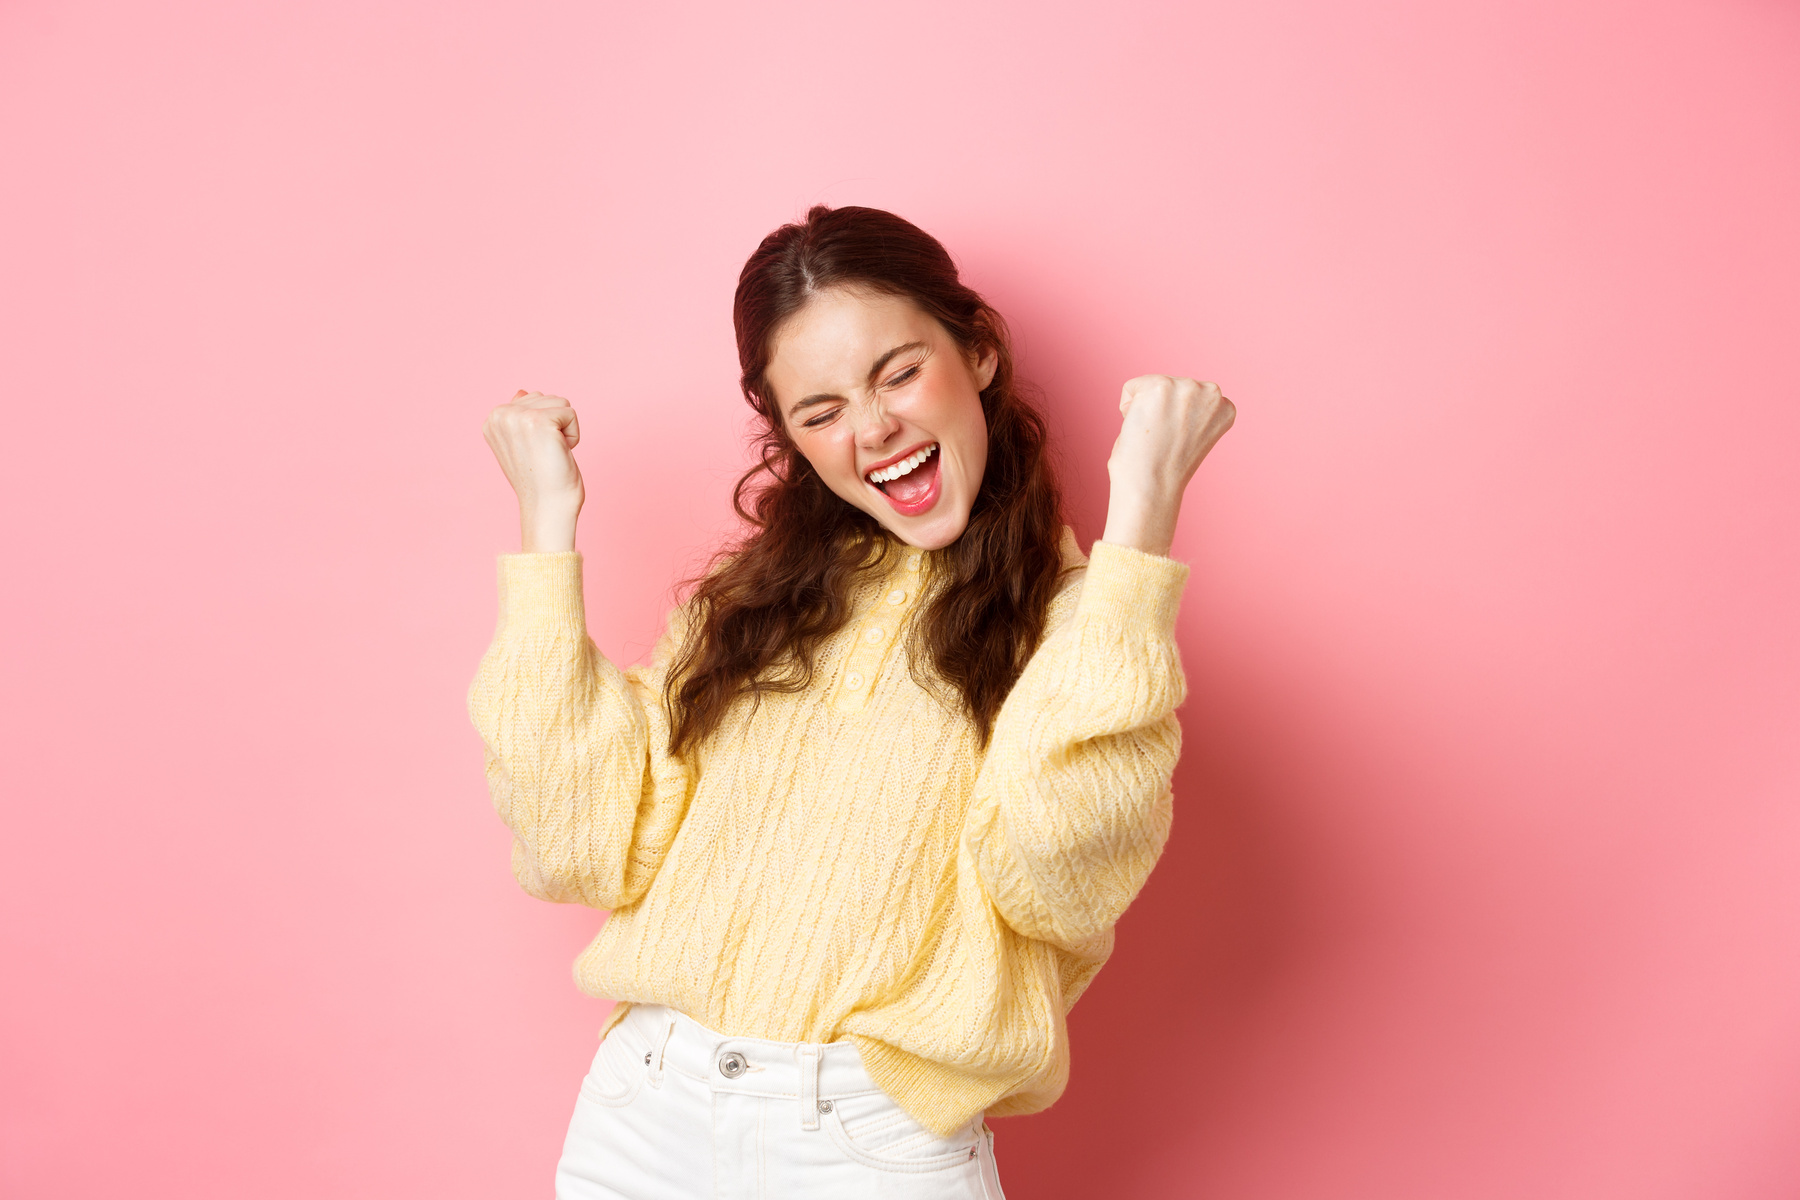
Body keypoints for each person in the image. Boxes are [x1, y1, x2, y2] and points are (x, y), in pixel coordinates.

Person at [469, 204, 1234, 1199]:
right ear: (787, 434)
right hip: (642, 1122)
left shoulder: (1089, 628)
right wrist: (546, 527)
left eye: (899, 373)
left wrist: (1141, 524)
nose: (873, 429)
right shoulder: (744, 607)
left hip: (873, 1147)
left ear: (981, 352)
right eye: (819, 411)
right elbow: (581, 844)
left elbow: (1059, 879)